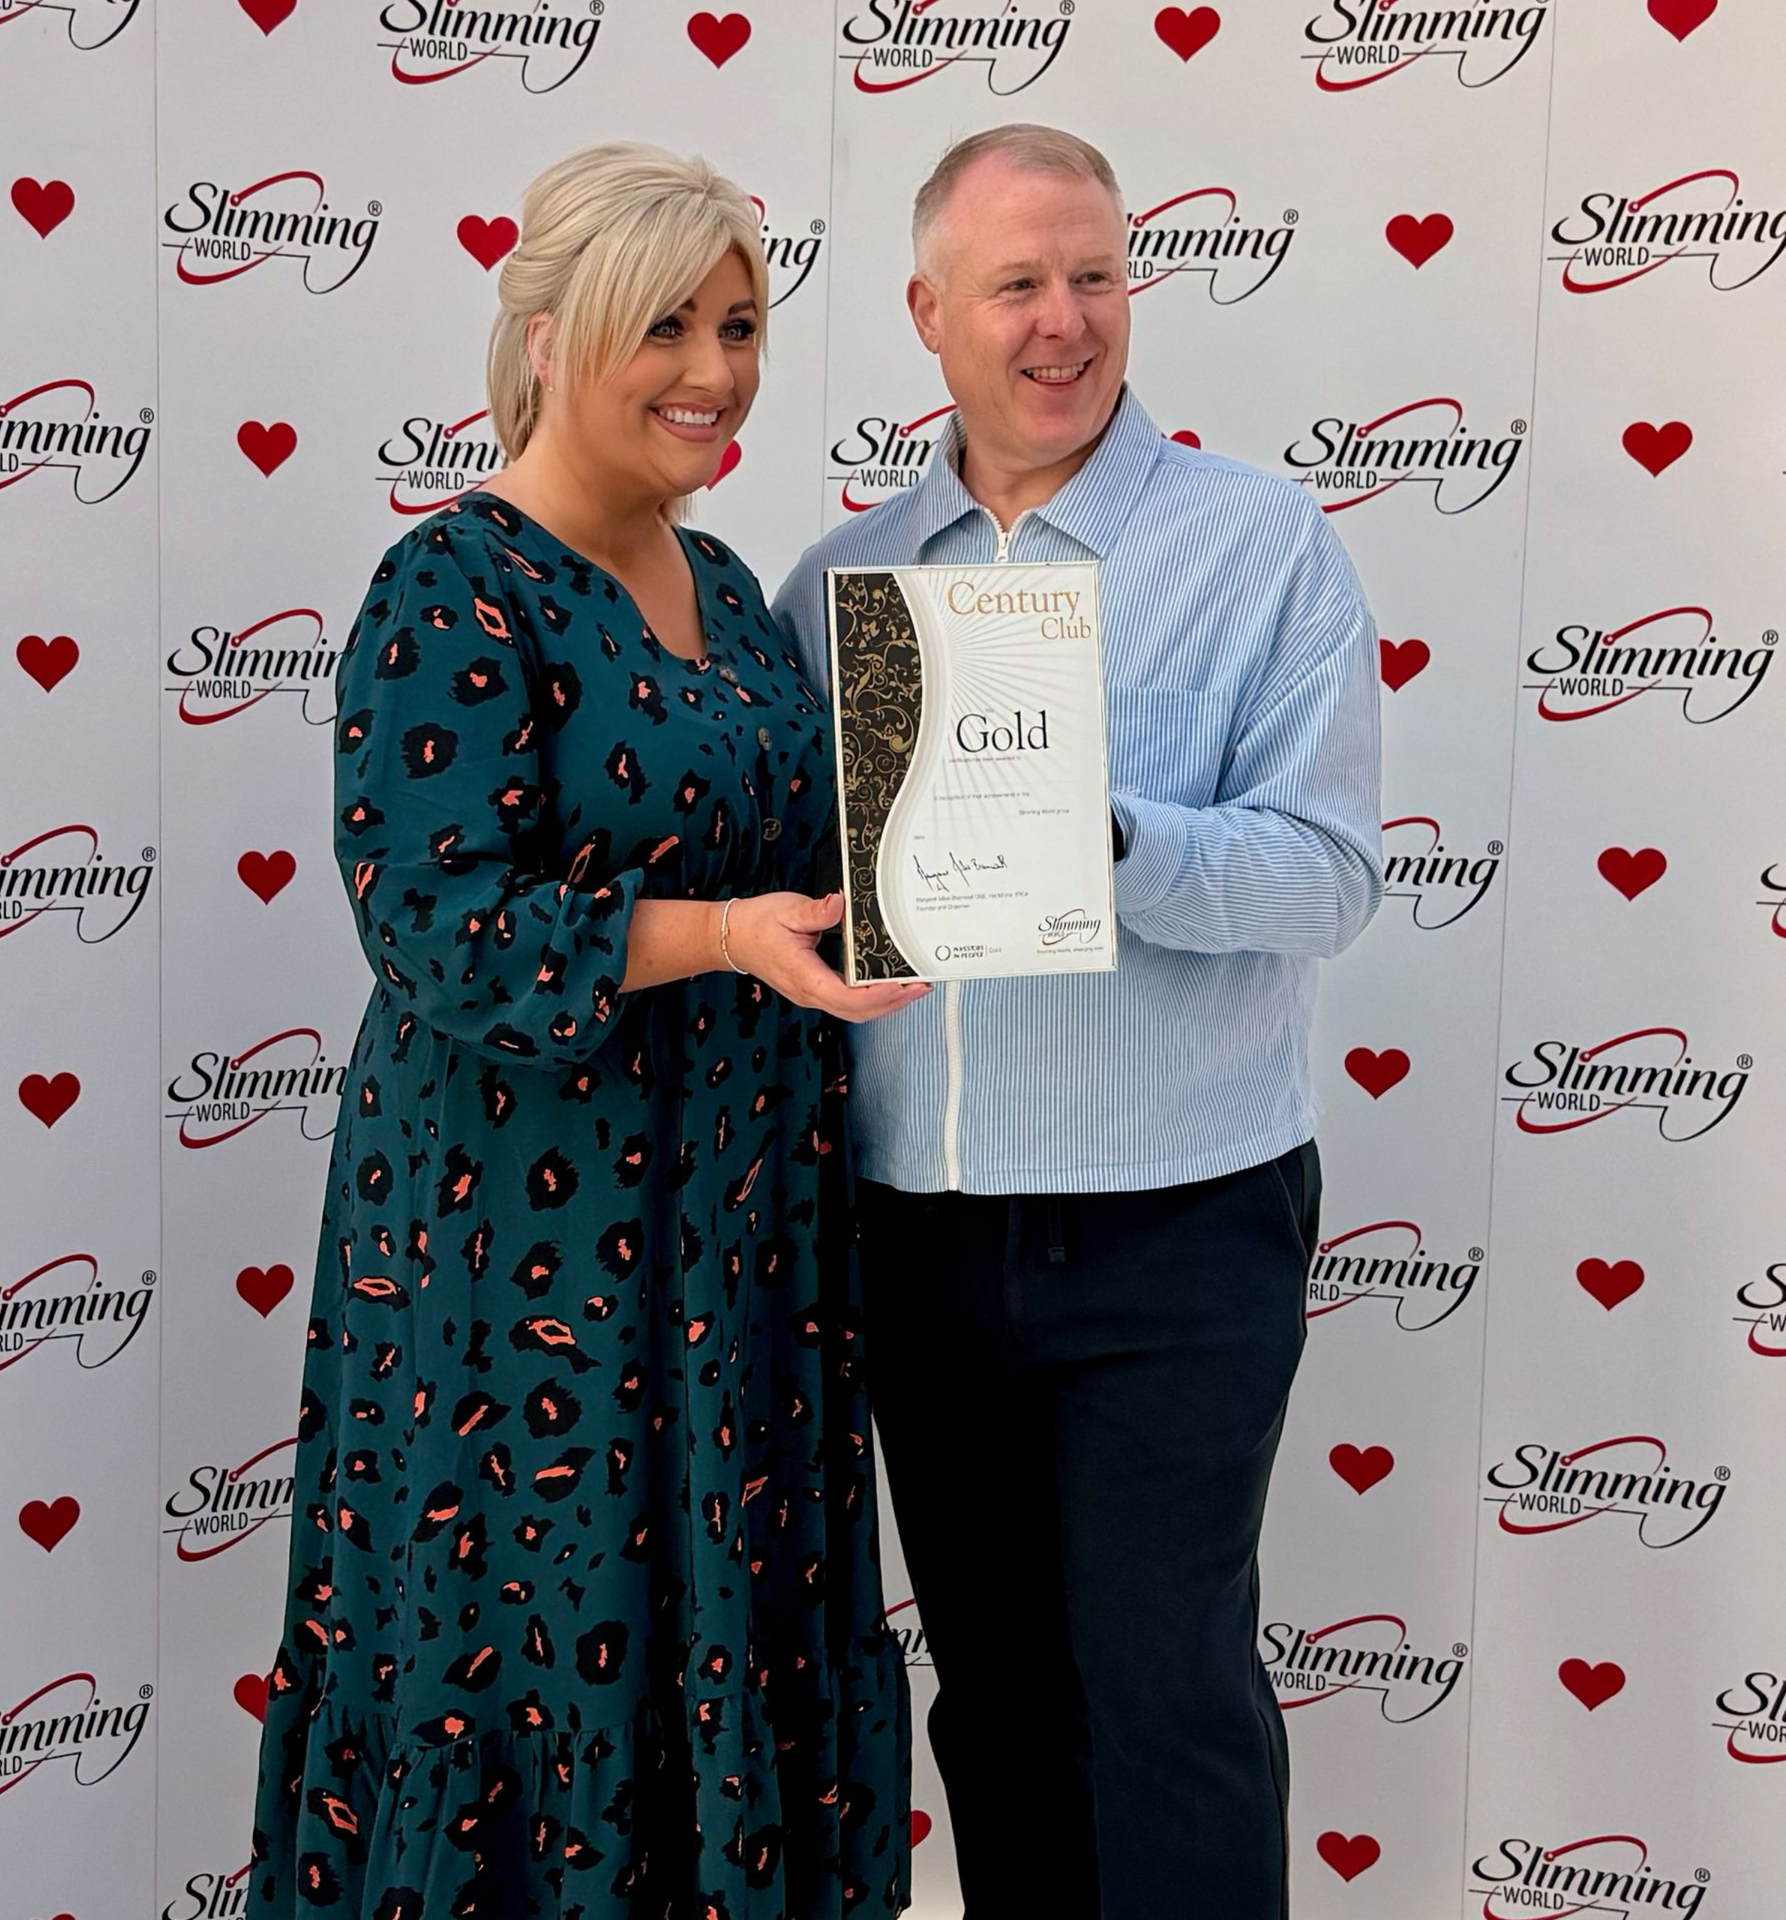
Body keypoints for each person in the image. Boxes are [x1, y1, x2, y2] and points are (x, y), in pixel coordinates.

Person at [248, 142, 922, 1920]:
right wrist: (719, 936)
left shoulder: (738, 586)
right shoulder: (452, 582)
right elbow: (434, 920)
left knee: (732, 1630)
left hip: (746, 1255)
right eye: (665, 326)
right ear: (548, 336)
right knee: (537, 1645)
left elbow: (820, 860)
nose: (716, 370)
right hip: (527, 1260)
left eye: (741, 326)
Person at [773, 126, 1384, 1919]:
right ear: (928, 313)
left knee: (1168, 1700)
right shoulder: (837, 588)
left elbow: (1331, 876)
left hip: (1180, 1223)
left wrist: (1103, 837)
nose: (1065, 320)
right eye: (1018, 284)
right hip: (921, 1229)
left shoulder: (1262, 545)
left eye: (1096, 275)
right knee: (998, 1706)